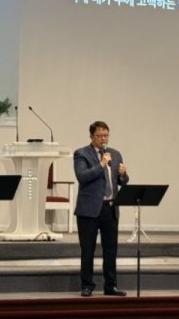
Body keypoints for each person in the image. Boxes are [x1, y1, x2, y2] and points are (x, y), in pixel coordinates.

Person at [73, 121, 129, 297]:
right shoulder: (81, 154)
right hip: (89, 210)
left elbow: (122, 181)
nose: (103, 139)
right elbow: (82, 177)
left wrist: (123, 175)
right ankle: (87, 285)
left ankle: (110, 286)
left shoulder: (115, 154)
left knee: (110, 250)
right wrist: (101, 164)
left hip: (110, 208)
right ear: (91, 136)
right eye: (99, 136)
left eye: (106, 135)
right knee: (88, 250)